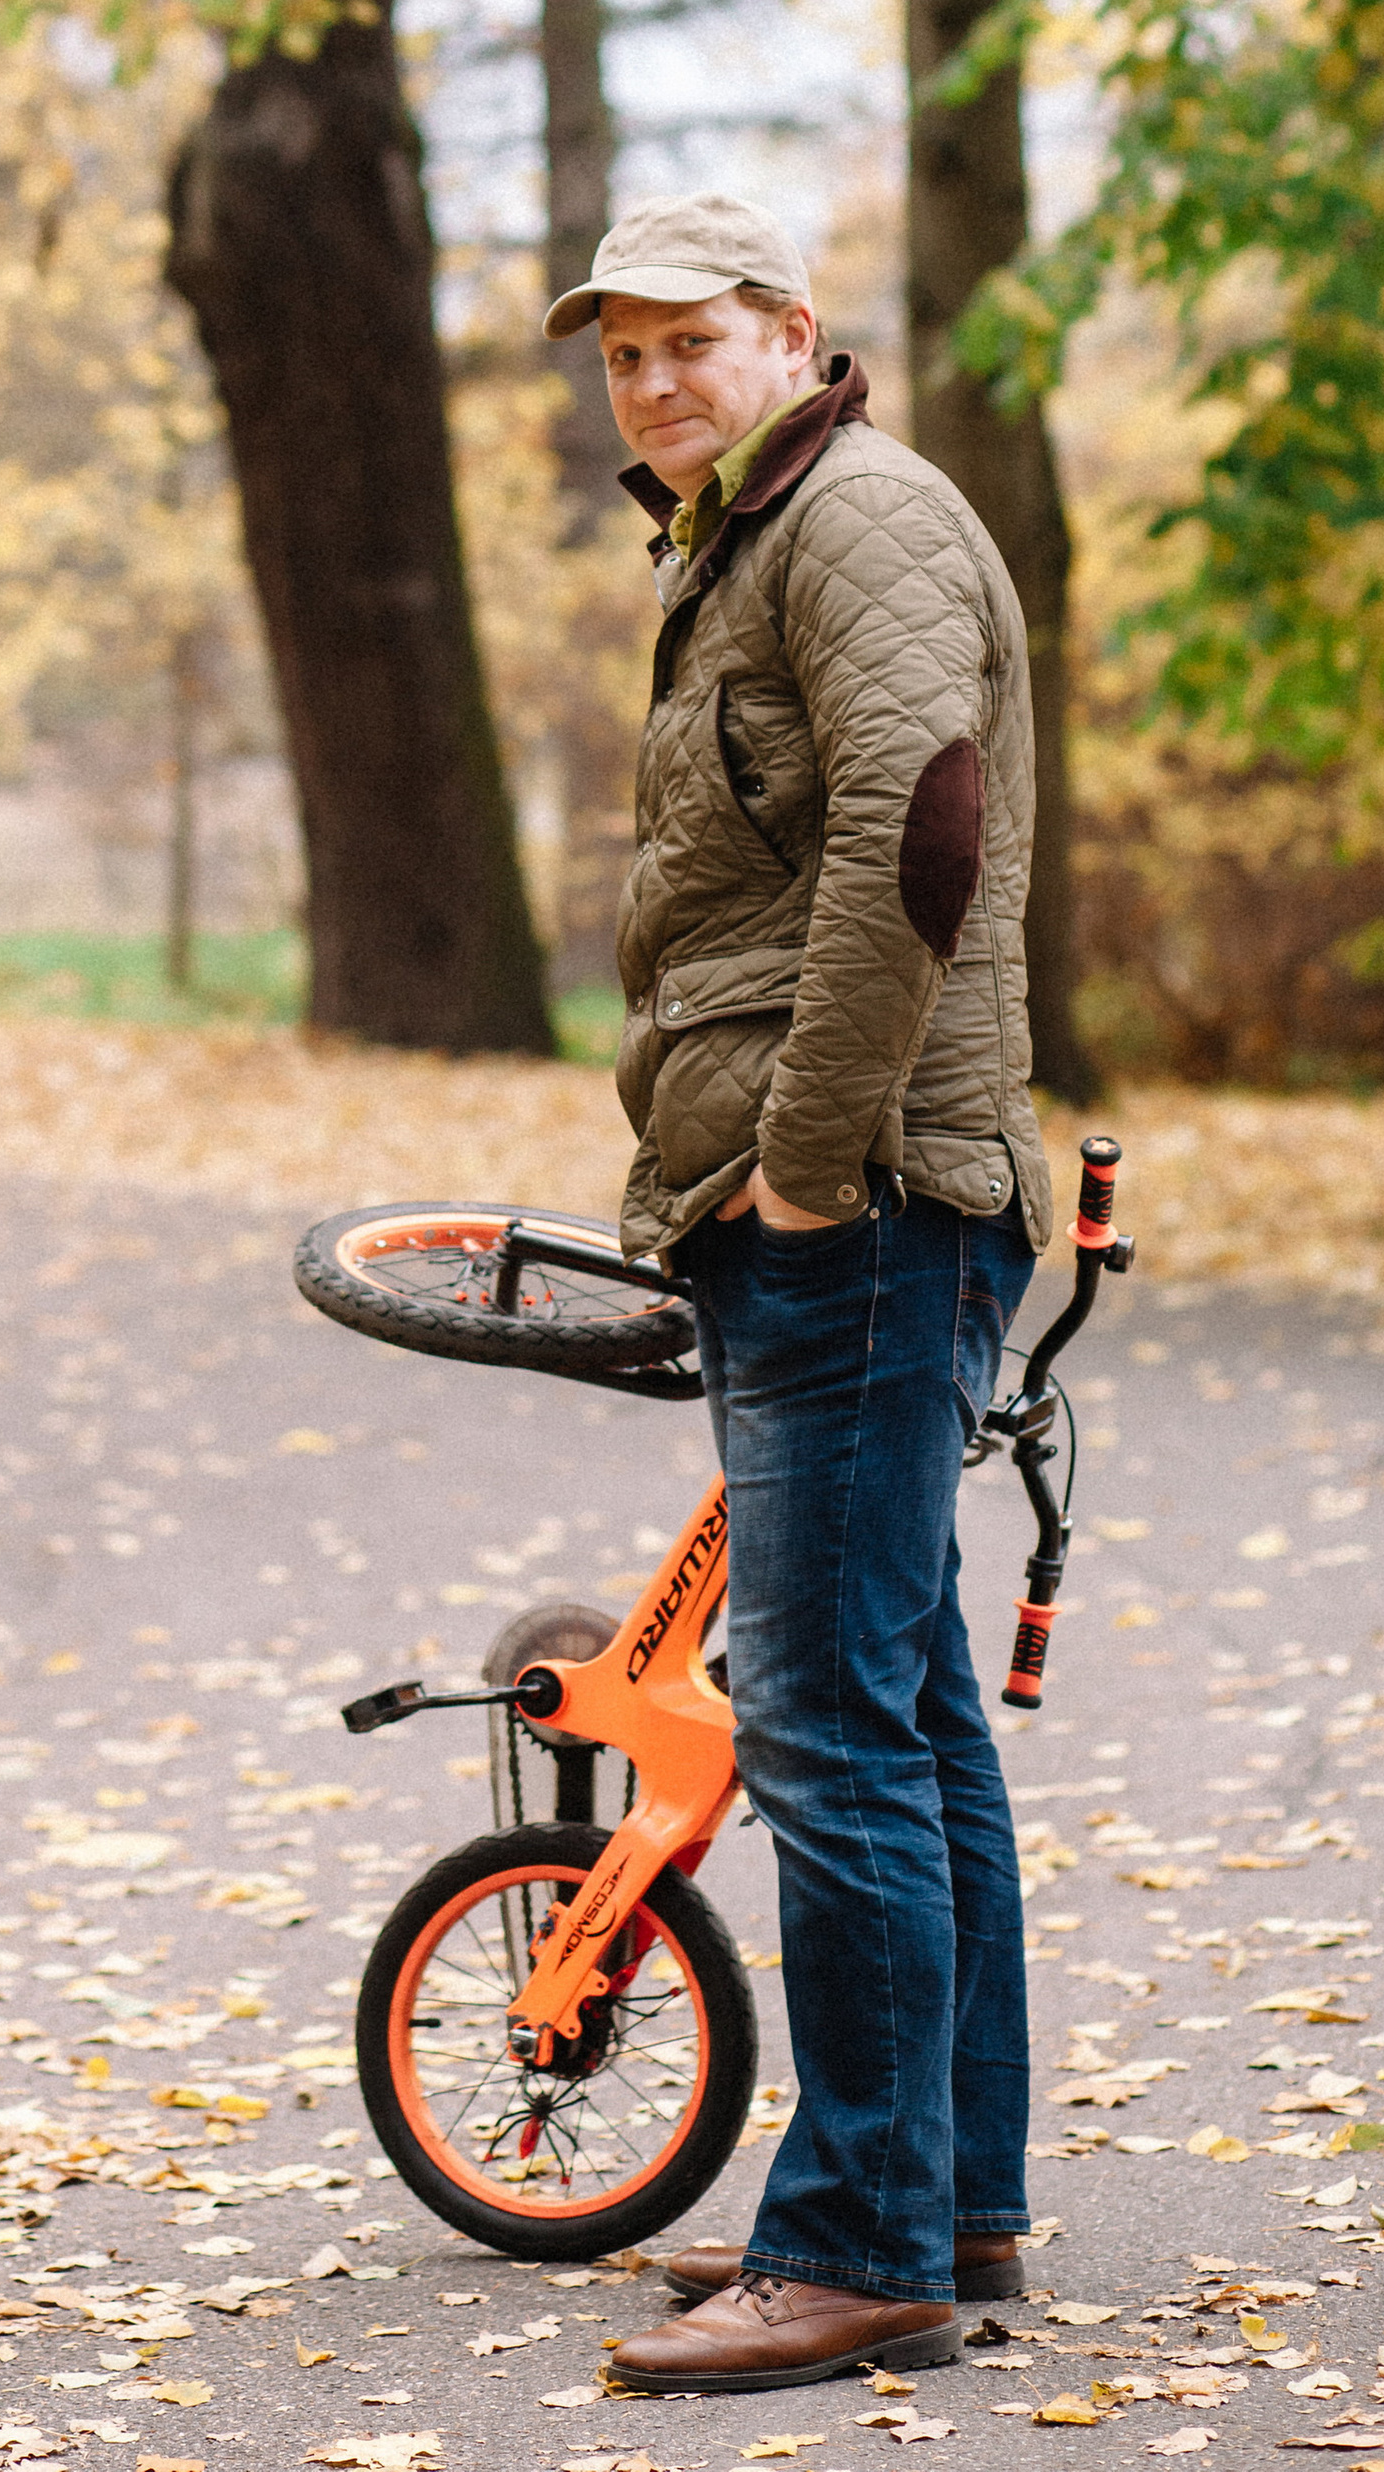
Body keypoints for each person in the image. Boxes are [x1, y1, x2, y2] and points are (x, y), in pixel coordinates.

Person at [542, 191, 1051, 2403]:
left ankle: (856, 2250)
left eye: (687, 340)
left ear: (788, 337)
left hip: (853, 1211)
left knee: (834, 1728)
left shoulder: (856, 523)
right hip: (844, 1196)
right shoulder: (749, 533)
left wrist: (807, 1162)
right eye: (619, 353)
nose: (649, 382)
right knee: (906, 1711)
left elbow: (916, 836)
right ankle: (941, 2197)